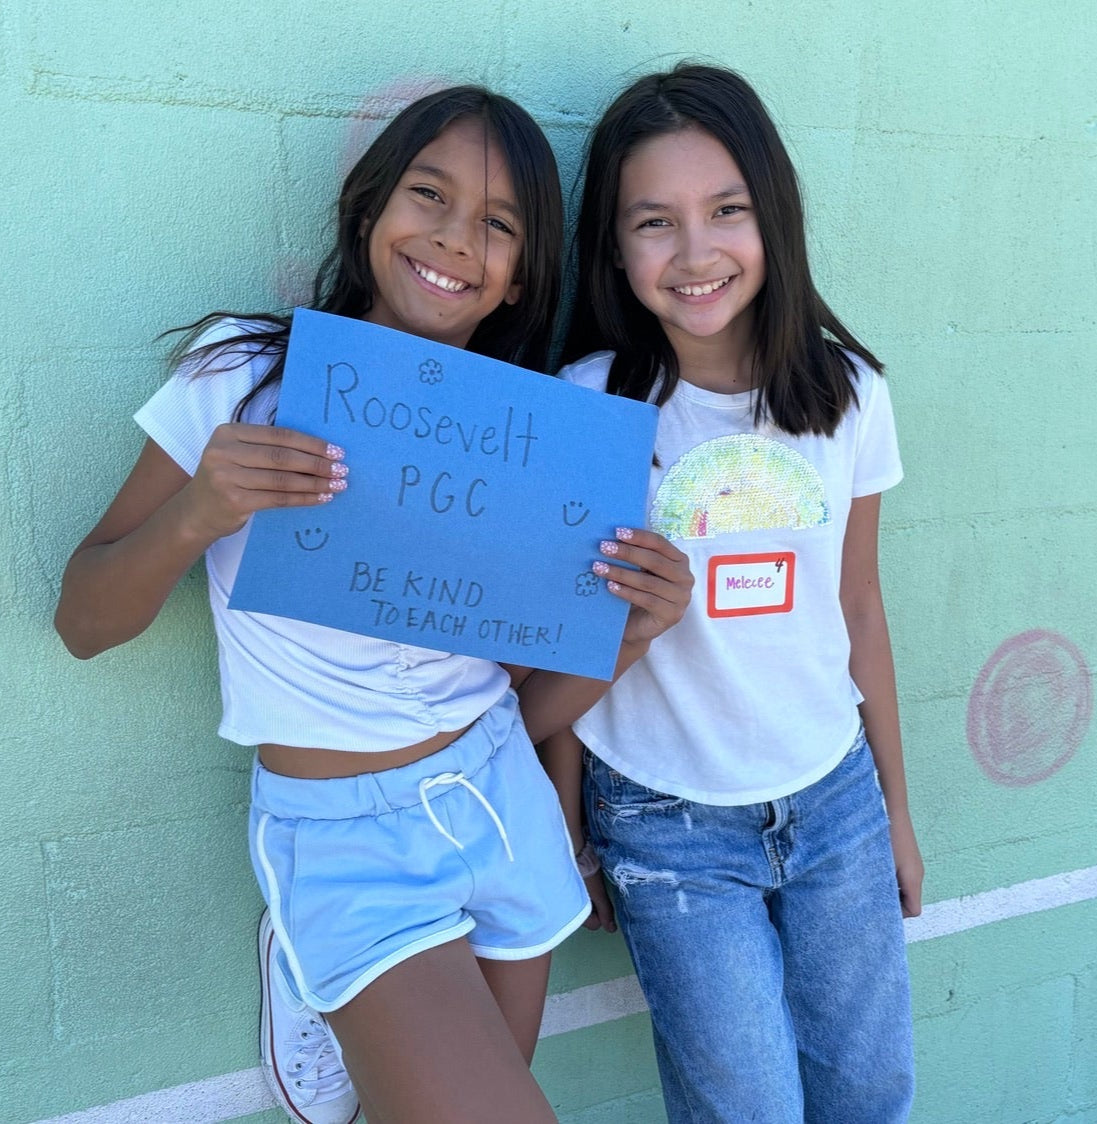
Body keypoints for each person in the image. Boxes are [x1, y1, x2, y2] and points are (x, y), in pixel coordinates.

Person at [54, 85, 692, 1124]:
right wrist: (198, 513)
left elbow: (517, 706)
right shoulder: (243, 376)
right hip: (347, 835)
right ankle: (315, 953)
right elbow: (83, 621)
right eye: (426, 195)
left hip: (498, 799)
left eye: (496, 224)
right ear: (365, 210)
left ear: (521, 276)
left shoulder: (525, 443)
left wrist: (634, 632)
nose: (452, 239)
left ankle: (335, 985)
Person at [545, 63, 924, 1123]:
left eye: (726, 210)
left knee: (869, 1091)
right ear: (615, 249)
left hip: (833, 798)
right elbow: (567, 644)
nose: (695, 251)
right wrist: (569, 822)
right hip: (664, 824)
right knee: (745, 1106)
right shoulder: (591, 406)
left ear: (773, 214)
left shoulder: (848, 393)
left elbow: (857, 612)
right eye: (653, 222)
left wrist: (895, 810)